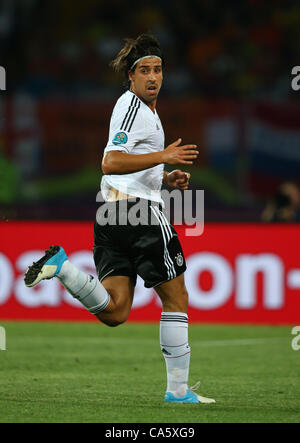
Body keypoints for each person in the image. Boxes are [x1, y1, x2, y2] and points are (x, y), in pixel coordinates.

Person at [24, 34, 215, 404]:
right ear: (131, 76)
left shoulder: (145, 113)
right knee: (176, 299)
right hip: (140, 214)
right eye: (144, 70)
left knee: (115, 310)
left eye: (158, 70)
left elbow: (125, 166)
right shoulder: (132, 107)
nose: (153, 77)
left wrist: (163, 177)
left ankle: (64, 269)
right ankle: (178, 392)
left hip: (110, 214)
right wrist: (164, 156)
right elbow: (110, 162)